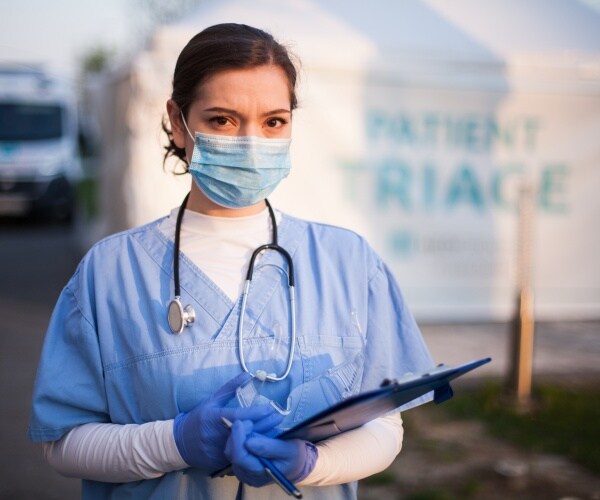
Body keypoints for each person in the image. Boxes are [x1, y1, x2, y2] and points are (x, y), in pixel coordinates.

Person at [28, 23, 435, 499]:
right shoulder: (110, 272)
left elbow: (385, 425)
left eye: (273, 122)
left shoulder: (349, 263)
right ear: (179, 123)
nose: (250, 142)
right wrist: (176, 442)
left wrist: (311, 463)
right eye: (222, 120)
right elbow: (64, 443)